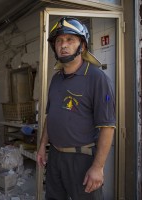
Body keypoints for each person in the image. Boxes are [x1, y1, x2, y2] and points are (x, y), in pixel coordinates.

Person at [36, 16, 116, 199]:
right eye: (59, 41)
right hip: (55, 156)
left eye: (70, 40)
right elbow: (51, 115)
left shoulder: (97, 78)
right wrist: (42, 146)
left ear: (83, 46)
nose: (63, 45)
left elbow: (107, 126)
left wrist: (98, 167)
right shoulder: (56, 79)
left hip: (82, 159)